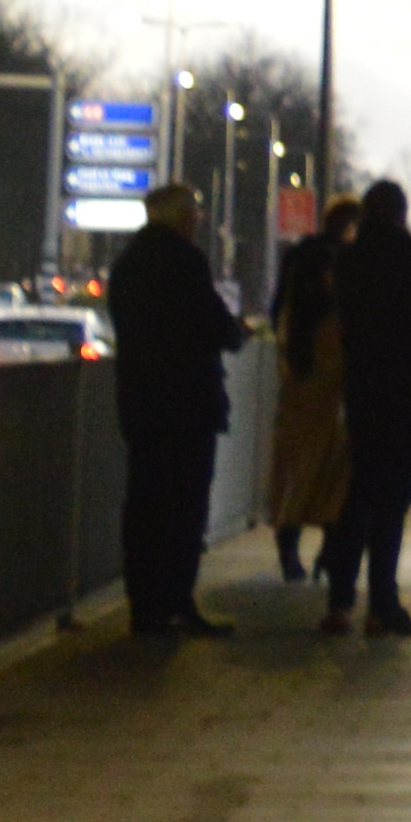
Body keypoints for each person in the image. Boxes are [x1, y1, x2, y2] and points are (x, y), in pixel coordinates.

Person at [99, 182, 246, 638]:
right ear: (183, 216)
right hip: (187, 402)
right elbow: (214, 324)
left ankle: (143, 606)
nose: (199, 219)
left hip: (141, 400)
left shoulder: (127, 265)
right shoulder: (186, 263)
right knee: (185, 506)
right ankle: (177, 601)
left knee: (144, 502)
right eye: (196, 212)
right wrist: (234, 333)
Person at [326, 181, 411, 637]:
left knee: (356, 497)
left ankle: (339, 601)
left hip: (361, 390)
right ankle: (382, 604)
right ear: (400, 213)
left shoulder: (349, 262)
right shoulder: (405, 259)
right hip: (403, 395)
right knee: (392, 502)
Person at [261, 227, 346, 588]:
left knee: (295, 482)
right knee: (332, 485)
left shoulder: (291, 315)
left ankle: (291, 550)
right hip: (328, 413)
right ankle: (327, 555)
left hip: (298, 411)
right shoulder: (333, 317)